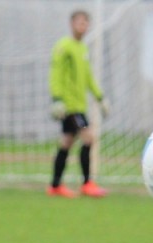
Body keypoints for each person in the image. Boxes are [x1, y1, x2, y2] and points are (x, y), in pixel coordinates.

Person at [46, 9, 108, 198]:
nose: (83, 26)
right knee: (88, 137)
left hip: (80, 105)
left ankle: (55, 185)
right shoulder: (63, 46)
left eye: (85, 23)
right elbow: (56, 73)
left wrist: (100, 97)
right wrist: (57, 99)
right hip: (69, 106)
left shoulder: (83, 48)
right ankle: (87, 183)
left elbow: (88, 77)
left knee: (66, 142)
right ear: (72, 24)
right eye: (79, 22)